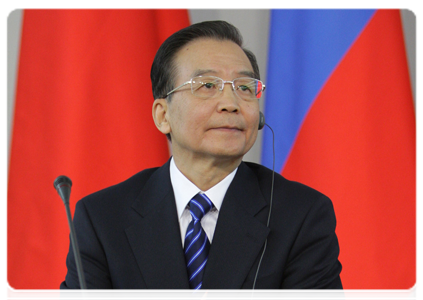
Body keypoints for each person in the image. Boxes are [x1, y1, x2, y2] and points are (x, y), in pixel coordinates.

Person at [60, 20, 345, 300]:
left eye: (245, 87)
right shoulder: (102, 219)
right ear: (163, 115)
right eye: (207, 85)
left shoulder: (301, 215)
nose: (231, 103)